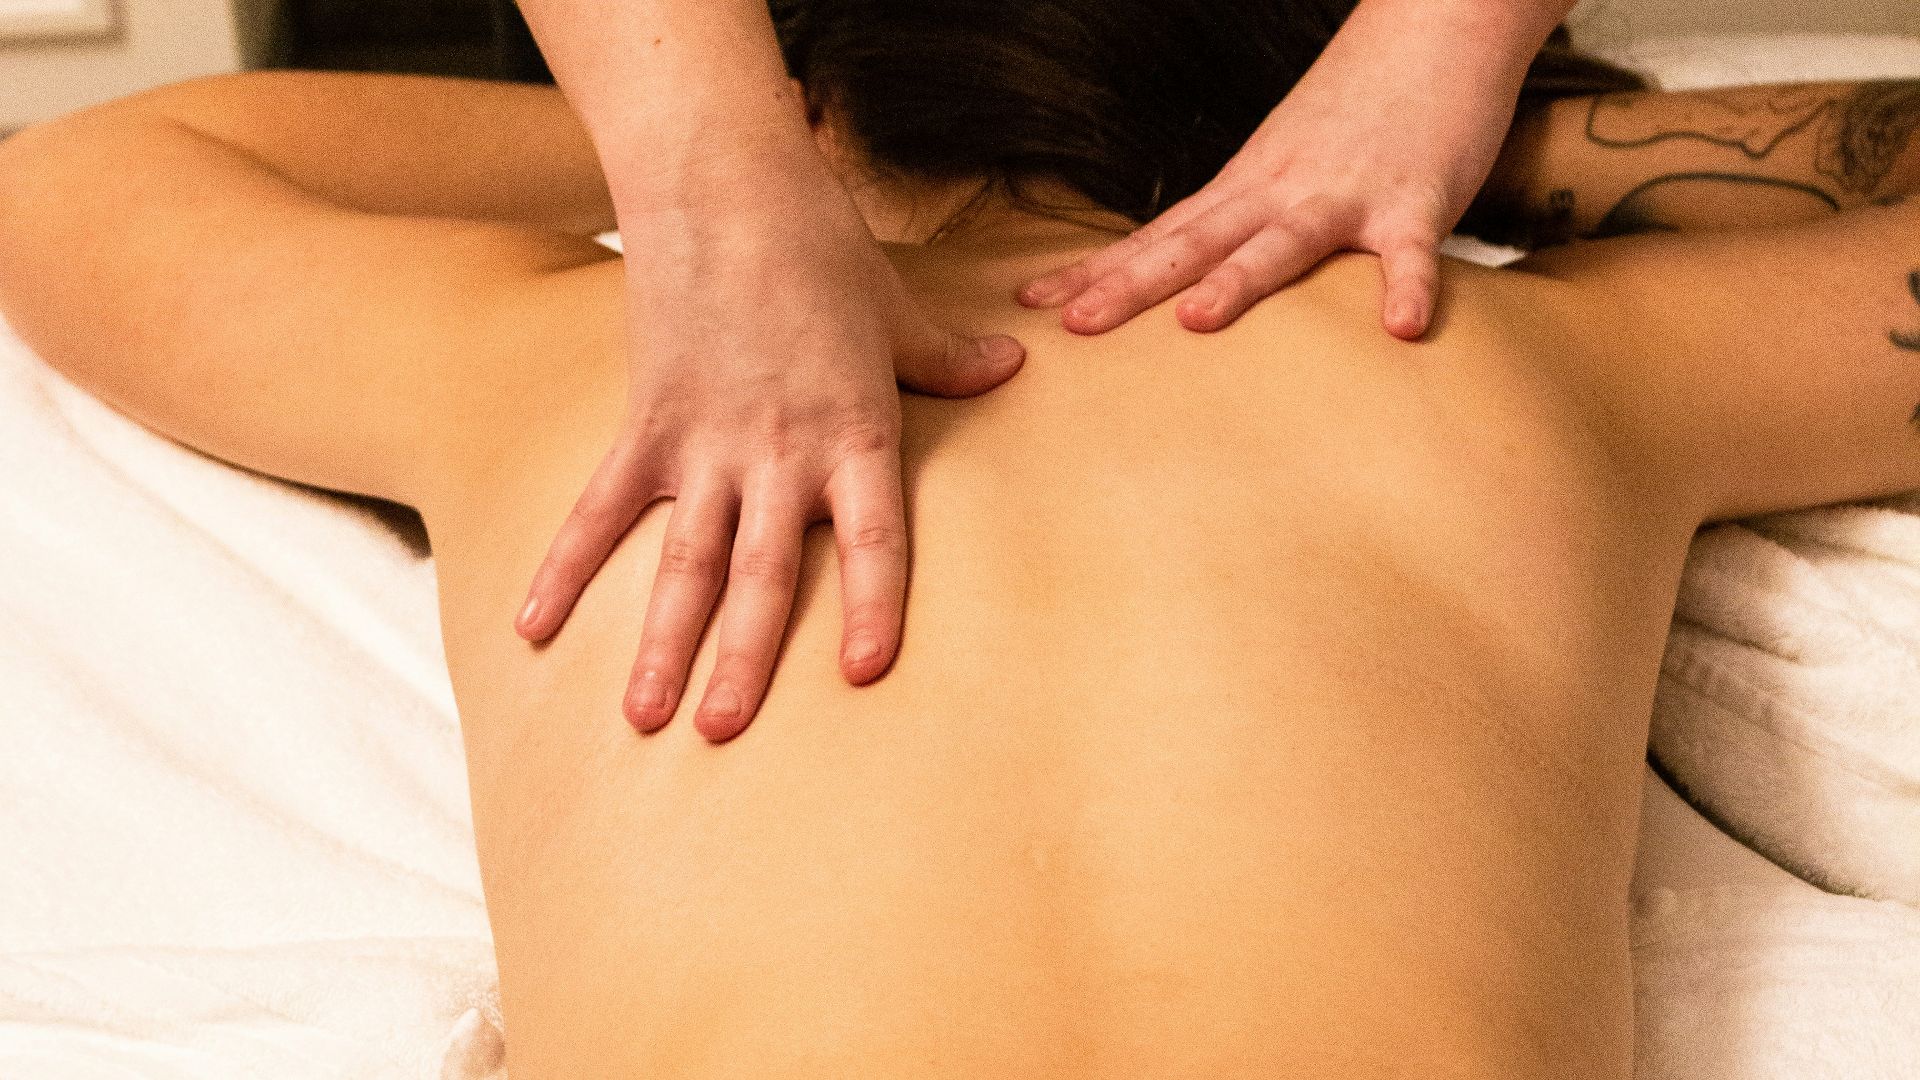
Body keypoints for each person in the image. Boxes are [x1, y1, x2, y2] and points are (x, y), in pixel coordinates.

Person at [2, 9, 1917, 1075]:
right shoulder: (1516, 363)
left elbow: (81, 179)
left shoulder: (556, 361)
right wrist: (1508, 139)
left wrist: (747, 161)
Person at [507, 0, 1582, 741]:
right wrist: (1460, 71)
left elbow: (328, 138)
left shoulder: (543, 356)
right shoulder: (1508, 363)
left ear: (818, 111)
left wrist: (704, 158)